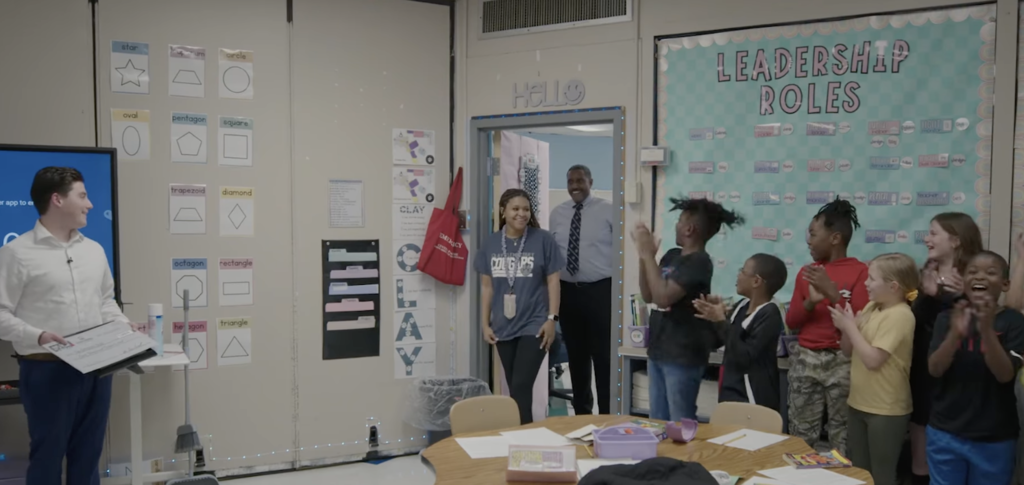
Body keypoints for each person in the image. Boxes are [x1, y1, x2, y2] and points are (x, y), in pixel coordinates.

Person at [0, 167, 139, 485]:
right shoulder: (16, 253)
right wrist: (38, 335)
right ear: (57, 199)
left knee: (89, 457)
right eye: (83, 196)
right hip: (47, 370)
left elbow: (105, 301)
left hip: (98, 368)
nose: (90, 204)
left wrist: (123, 325)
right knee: (47, 457)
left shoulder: (94, 250)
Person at [631, 197, 744, 421]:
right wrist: (645, 258)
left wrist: (647, 255)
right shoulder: (672, 255)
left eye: (680, 220)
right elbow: (649, 295)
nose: (677, 225)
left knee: (680, 421)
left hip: (683, 354)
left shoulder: (699, 262)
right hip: (658, 349)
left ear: (689, 229)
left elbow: (663, 298)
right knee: (657, 420)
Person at [927, 251, 1023, 485]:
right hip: (945, 432)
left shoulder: (1014, 322)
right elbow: (935, 369)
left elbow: (1004, 375)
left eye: (990, 272)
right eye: (972, 272)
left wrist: (986, 329)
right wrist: (954, 335)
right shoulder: (946, 318)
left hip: (994, 437)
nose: (980, 276)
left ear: (1005, 284)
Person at [786, 197, 868, 454]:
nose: (808, 241)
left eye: (813, 234)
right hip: (806, 358)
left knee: (843, 435)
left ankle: (840, 474)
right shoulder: (807, 272)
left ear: (835, 238)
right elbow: (792, 322)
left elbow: (861, 323)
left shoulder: (861, 272)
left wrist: (833, 294)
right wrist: (810, 301)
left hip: (843, 361)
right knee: (800, 435)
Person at [474, 188, 563, 425]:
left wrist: (552, 319)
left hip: (535, 324)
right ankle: (522, 435)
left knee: (522, 385)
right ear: (503, 211)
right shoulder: (491, 243)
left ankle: (525, 437)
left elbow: (554, 282)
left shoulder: (543, 240)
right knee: (514, 388)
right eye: (515, 209)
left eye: (526, 209)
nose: (521, 214)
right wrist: (485, 324)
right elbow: (487, 288)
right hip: (503, 325)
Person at [829, 253, 918, 485]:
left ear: (893, 286)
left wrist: (850, 327)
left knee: (881, 476)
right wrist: (848, 328)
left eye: (872, 278)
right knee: (860, 472)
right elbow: (848, 350)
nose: (866, 283)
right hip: (858, 402)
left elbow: (873, 360)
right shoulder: (871, 307)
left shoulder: (901, 315)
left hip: (885, 409)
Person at [910, 212, 983, 485]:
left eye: (933, 233)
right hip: (923, 365)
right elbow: (914, 322)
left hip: (960, 369)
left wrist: (963, 294)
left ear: (955, 240)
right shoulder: (927, 272)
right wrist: (929, 296)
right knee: (921, 424)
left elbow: (987, 322)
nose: (927, 239)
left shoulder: (978, 274)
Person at [548, 164, 615, 416]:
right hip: (568, 293)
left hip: (600, 292)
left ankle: (608, 415)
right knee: (576, 357)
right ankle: (582, 416)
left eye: (580, 181)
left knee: (603, 357)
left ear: (590, 182)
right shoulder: (557, 213)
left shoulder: (608, 210)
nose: (575, 186)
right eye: (570, 182)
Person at [693, 253, 787, 412]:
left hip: (752, 396)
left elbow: (745, 356)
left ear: (756, 281)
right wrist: (712, 318)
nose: (738, 275)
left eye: (743, 271)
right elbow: (719, 341)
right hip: (729, 389)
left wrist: (721, 321)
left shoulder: (770, 314)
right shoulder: (741, 306)